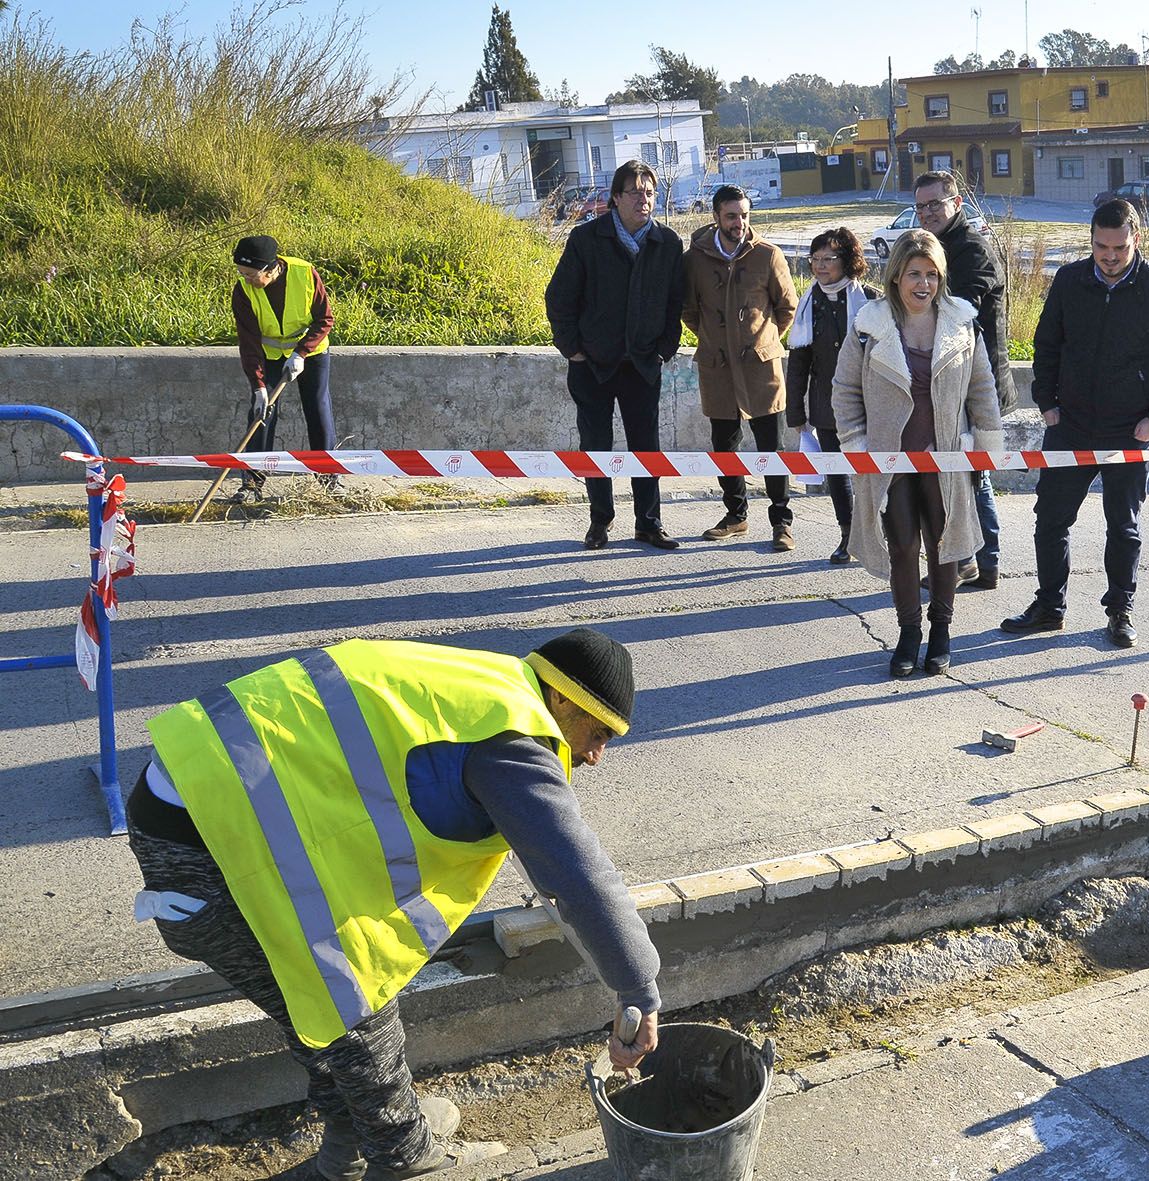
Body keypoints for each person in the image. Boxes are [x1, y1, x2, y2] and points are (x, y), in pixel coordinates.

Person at [126, 627, 662, 1179]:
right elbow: (578, 875)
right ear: (561, 699)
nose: (596, 755)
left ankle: (350, 1149)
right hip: (215, 851)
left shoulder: (480, 687)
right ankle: (404, 1154)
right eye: (599, 731)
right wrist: (638, 991)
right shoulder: (509, 739)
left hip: (194, 804)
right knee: (352, 998)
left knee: (318, 1007)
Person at [1000, 199, 1149, 650]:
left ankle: (1120, 611)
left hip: (1130, 431)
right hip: (1069, 426)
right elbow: (1046, 344)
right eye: (1101, 247)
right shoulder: (1069, 281)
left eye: (1119, 248)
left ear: (1136, 240)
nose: (1109, 257)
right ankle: (1049, 606)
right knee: (1050, 519)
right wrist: (1047, 402)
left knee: (1123, 527)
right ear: (1090, 240)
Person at [831, 230, 1002, 677]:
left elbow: (982, 389)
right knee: (903, 546)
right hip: (890, 462)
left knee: (946, 547)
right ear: (896, 277)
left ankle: (941, 632)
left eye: (932, 274)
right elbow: (844, 390)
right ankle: (909, 633)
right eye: (914, 274)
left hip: (945, 458)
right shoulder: (869, 327)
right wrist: (858, 446)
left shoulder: (963, 324)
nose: (923, 284)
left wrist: (984, 445)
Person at [545, 160, 687, 552]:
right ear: (616, 198)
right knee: (595, 444)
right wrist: (572, 348)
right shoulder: (587, 239)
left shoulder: (667, 242)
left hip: (642, 362)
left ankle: (649, 522)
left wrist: (664, 348)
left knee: (646, 445)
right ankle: (599, 520)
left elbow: (675, 302)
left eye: (650, 193)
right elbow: (559, 298)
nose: (644, 200)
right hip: (592, 363)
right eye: (635, 192)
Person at [683, 184, 799, 551]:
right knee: (724, 446)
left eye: (744, 215)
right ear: (716, 217)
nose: (739, 222)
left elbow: (787, 307)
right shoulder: (694, 260)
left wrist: (762, 341)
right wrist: (717, 340)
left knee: (772, 449)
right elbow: (689, 310)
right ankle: (736, 515)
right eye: (732, 216)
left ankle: (781, 522)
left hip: (761, 370)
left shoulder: (768, 255)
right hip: (717, 368)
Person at [913, 170, 1014, 590]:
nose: (927, 213)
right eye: (921, 206)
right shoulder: (935, 249)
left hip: (976, 388)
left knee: (972, 475)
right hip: (951, 385)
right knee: (959, 475)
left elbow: (958, 314)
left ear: (956, 204)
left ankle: (981, 562)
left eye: (935, 204)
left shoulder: (971, 249)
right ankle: (972, 561)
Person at [784, 228, 880, 564]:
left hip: (869, 404)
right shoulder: (809, 303)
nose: (820, 266)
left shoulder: (870, 300)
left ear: (848, 261)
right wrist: (795, 413)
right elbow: (798, 363)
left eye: (829, 259)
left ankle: (879, 534)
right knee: (837, 474)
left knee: (873, 472)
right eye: (816, 259)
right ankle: (848, 535)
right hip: (826, 404)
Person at [231, 235, 337, 500]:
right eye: (242, 273)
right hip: (269, 355)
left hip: (310, 351)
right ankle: (252, 484)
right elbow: (248, 342)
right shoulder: (243, 291)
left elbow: (325, 319)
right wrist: (258, 386)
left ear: (270, 269)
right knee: (261, 413)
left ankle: (328, 480)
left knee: (318, 408)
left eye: (251, 274)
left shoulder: (305, 273)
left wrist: (301, 353)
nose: (246, 279)